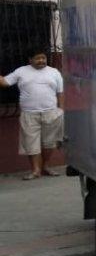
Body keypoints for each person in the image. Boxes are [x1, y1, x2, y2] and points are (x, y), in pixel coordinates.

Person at [0, 47, 64, 180]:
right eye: (37, 58)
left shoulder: (54, 72)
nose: (41, 60)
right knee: (31, 144)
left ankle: (45, 166)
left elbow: (60, 92)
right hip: (29, 115)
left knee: (49, 143)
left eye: (43, 58)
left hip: (51, 113)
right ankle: (36, 170)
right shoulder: (21, 71)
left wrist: (61, 110)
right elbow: (4, 82)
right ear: (30, 60)